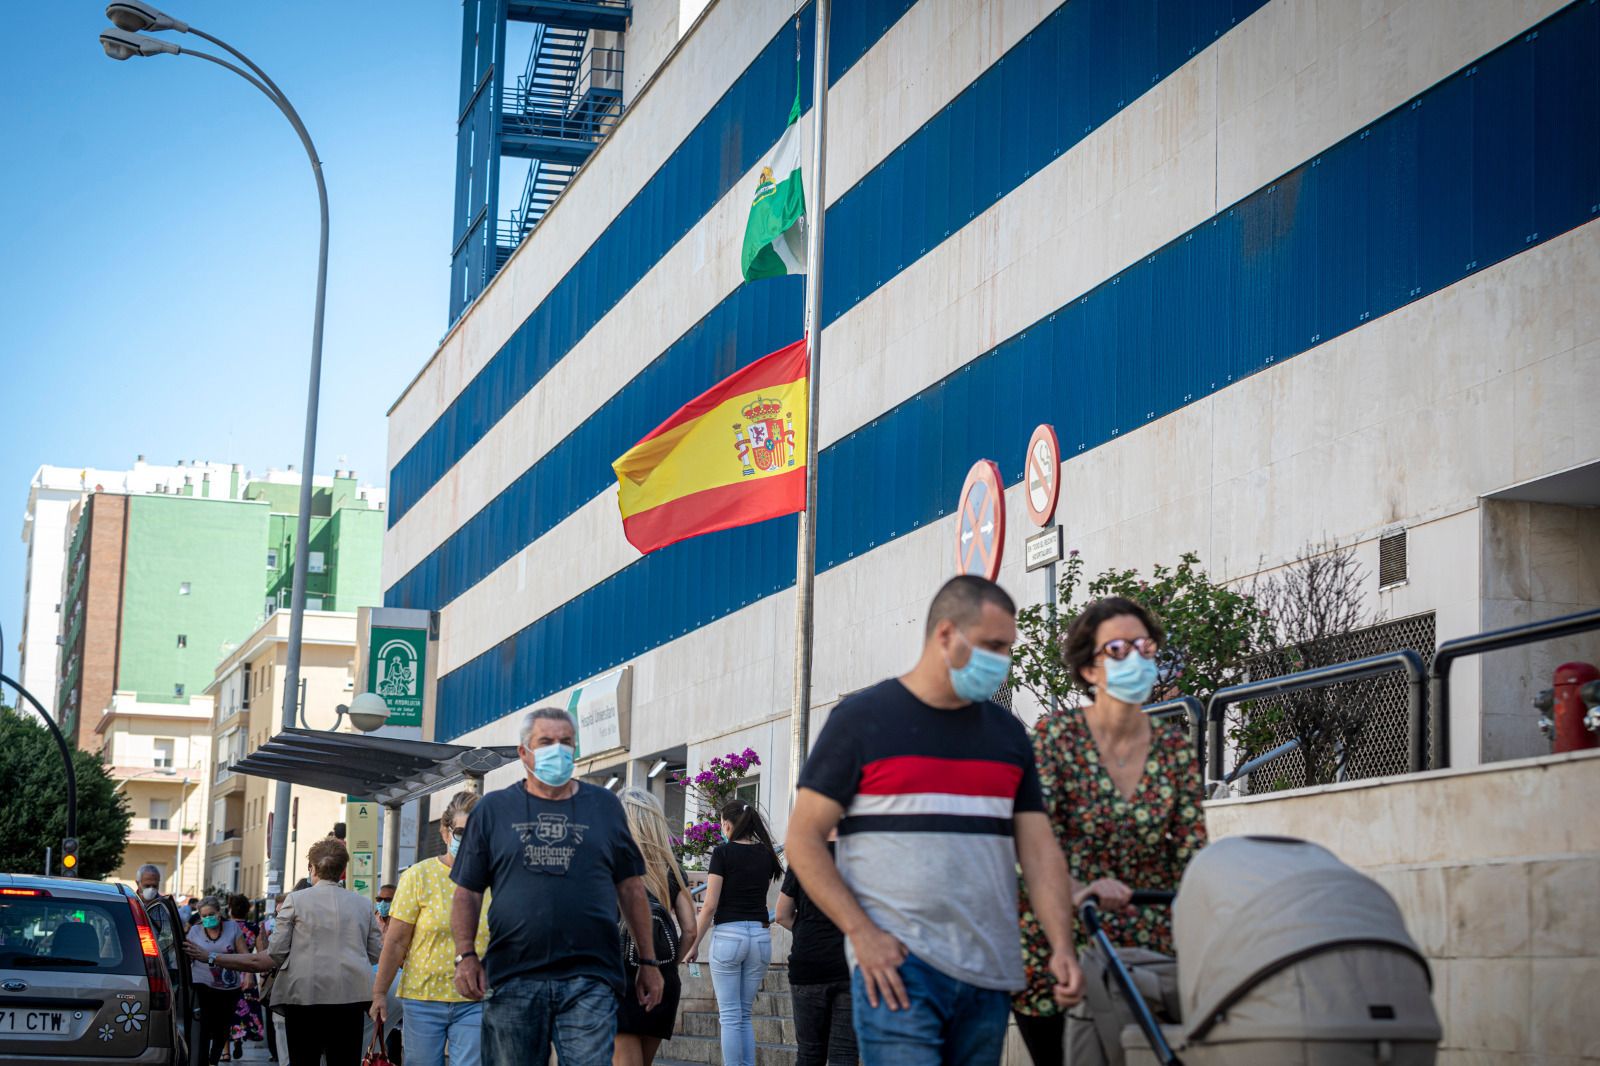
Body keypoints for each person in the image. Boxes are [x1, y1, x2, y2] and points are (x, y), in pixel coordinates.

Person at [785, 575, 1085, 1066]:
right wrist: (861, 933)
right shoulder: (862, 720)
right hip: (898, 970)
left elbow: (1038, 851)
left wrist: (1061, 946)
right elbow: (803, 838)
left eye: (1008, 648)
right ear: (946, 634)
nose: (1003, 661)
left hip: (989, 974)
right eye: (993, 646)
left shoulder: (1008, 736)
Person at [1012, 597, 1207, 1066]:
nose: (1136, 658)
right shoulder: (1057, 737)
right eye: (1118, 649)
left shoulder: (1173, 747)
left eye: (1145, 647)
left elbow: (1192, 850)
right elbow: (1033, 844)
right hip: (1060, 937)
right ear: (1088, 669)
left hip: (1147, 948)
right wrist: (1079, 891)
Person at [449, 707, 665, 1066]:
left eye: (566, 742)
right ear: (524, 753)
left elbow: (631, 889)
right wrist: (465, 956)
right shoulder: (494, 810)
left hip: (590, 976)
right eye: (546, 741)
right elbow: (467, 892)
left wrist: (648, 960)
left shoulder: (605, 807)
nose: (558, 750)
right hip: (513, 975)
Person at [193, 840, 384, 1066]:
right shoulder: (362, 904)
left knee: (303, 1060)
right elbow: (375, 953)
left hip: (304, 997)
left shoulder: (295, 900)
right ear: (343, 870)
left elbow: (274, 954)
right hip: (350, 997)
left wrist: (211, 957)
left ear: (312, 868)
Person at [371, 790, 490, 1066]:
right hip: (423, 998)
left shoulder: (495, 877)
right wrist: (379, 993)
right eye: (461, 831)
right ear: (445, 833)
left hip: (477, 998)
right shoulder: (418, 876)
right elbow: (396, 942)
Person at [689, 799, 782, 1066]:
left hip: (729, 937)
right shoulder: (766, 854)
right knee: (743, 1015)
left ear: (728, 825)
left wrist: (693, 944)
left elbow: (709, 906)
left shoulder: (723, 853)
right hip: (760, 938)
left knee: (729, 1016)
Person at [613, 787, 698, 1066]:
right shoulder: (671, 869)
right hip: (661, 982)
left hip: (620, 979)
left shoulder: (610, 864)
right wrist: (668, 965)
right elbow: (690, 930)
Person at [776, 830, 856, 1066]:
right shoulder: (864, 857)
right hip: (850, 964)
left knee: (809, 1052)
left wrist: (806, 933)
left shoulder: (804, 855)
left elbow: (781, 914)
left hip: (808, 963)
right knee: (845, 1053)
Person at [184, 896, 250, 1066]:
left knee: (222, 1027)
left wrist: (248, 975)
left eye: (211, 914)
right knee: (204, 1025)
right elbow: (187, 957)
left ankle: (214, 1059)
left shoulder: (232, 928)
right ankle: (202, 1061)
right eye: (204, 916)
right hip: (202, 983)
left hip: (229, 987)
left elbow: (244, 955)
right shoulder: (195, 931)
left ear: (219, 913)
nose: (208, 918)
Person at [225, 894, 265, 1061]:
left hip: (227, 972)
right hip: (247, 970)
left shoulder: (225, 927)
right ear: (247, 910)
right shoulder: (254, 927)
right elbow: (261, 953)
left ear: (230, 909)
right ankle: (239, 1039)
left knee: (226, 1010)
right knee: (245, 1009)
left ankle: (225, 1052)